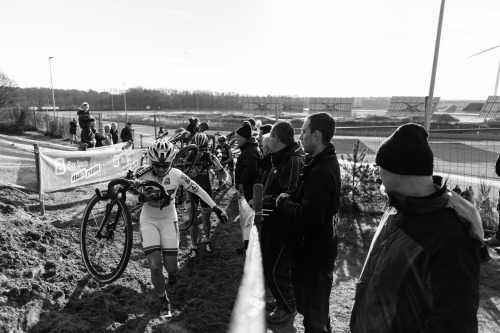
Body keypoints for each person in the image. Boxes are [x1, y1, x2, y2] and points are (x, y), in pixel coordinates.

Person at [350, 123, 485, 333]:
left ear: (401, 171)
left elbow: (455, 322)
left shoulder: (451, 235)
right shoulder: (399, 204)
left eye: (380, 165)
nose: (377, 173)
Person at [126, 139, 228, 317]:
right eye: (156, 165)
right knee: (155, 265)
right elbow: (126, 192)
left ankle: (172, 276)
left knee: (172, 268)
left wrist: (215, 208)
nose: (159, 169)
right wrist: (140, 198)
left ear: (171, 162)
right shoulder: (142, 174)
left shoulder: (176, 175)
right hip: (148, 220)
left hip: (169, 220)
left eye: (164, 165)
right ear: (151, 161)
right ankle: (164, 301)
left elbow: (198, 190)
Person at [275, 112, 340, 333]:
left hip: (315, 257)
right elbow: (308, 200)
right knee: (316, 312)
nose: (300, 136)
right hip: (315, 254)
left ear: (316, 134)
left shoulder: (322, 170)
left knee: (314, 318)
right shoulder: (321, 162)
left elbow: (310, 217)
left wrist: (284, 203)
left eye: (303, 131)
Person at [261, 121, 305, 324]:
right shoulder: (280, 158)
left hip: (285, 228)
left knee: (275, 268)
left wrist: (264, 201)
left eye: (270, 137)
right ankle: (282, 301)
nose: (268, 140)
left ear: (276, 139)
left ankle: (288, 307)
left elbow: (289, 195)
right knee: (273, 266)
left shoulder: (293, 161)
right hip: (275, 223)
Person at [187, 133, 228, 257]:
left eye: (202, 150)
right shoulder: (188, 156)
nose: (199, 153)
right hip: (192, 192)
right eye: (197, 150)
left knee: (206, 221)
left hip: (206, 191)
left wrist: (224, 181)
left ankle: (207, 239)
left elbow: (223, 171)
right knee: (192, 221)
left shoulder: (210, 157)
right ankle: (194, 246)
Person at [234, 122, 261, 202]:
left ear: (244, 138)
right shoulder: (250, 149)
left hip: (248, 189)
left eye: (238, 137)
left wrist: (242, 184)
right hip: (248, 188)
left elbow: (249, 170)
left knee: (248, 209)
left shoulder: (250, 151)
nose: (236, 139)